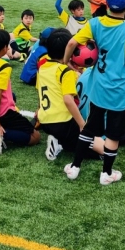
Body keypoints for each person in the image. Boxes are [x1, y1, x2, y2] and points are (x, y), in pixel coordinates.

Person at [63, 0, 125, 185]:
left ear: (106, 2)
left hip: (98, 87)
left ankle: (75, 167)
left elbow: (71, 43)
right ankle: (106, 173)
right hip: (119, 92)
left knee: (89, 128)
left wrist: (66, 62)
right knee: (113, 135)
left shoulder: (94, 23)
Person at [36, 28, 105, 161]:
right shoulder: (65, 71)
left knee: (75, 142)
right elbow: (68, 100)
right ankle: (60, 143)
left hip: (45, 121)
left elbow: (40, 94)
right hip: (63, 123)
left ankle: (60, 140)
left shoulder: (42, 68)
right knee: (103, 151)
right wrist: (82, 125)